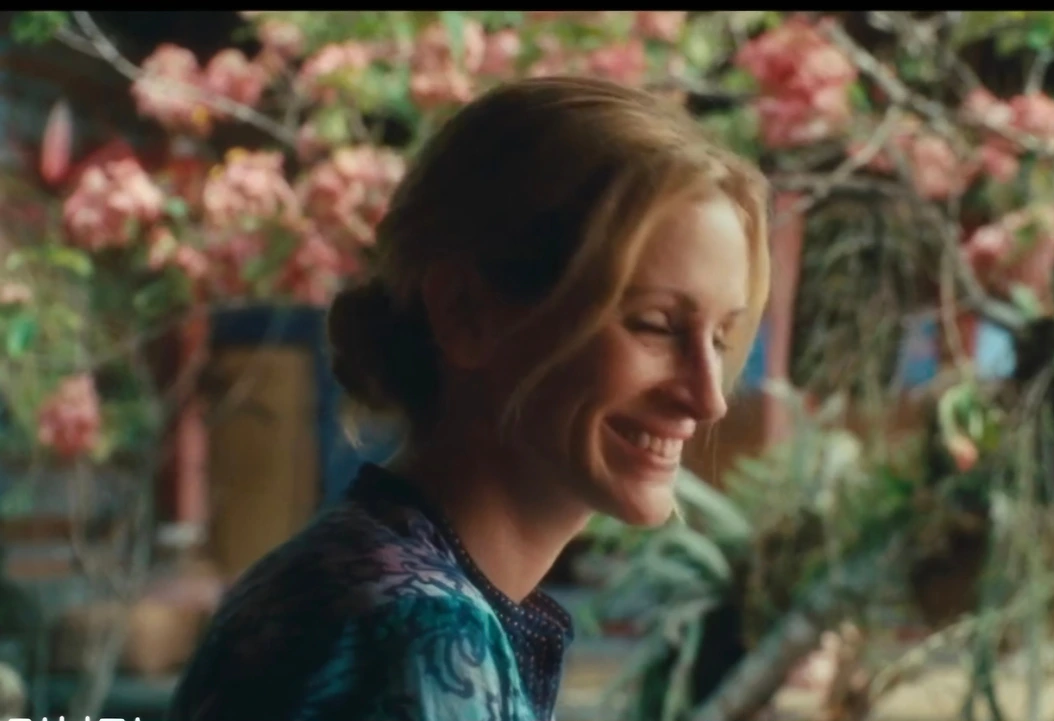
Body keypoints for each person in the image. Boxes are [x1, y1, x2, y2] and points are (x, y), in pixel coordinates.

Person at [168, 75, 771, 721]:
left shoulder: (357, 580)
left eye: (721, 337)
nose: (708, 399)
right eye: (655, 325)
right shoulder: (415, 632)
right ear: (466, 313)